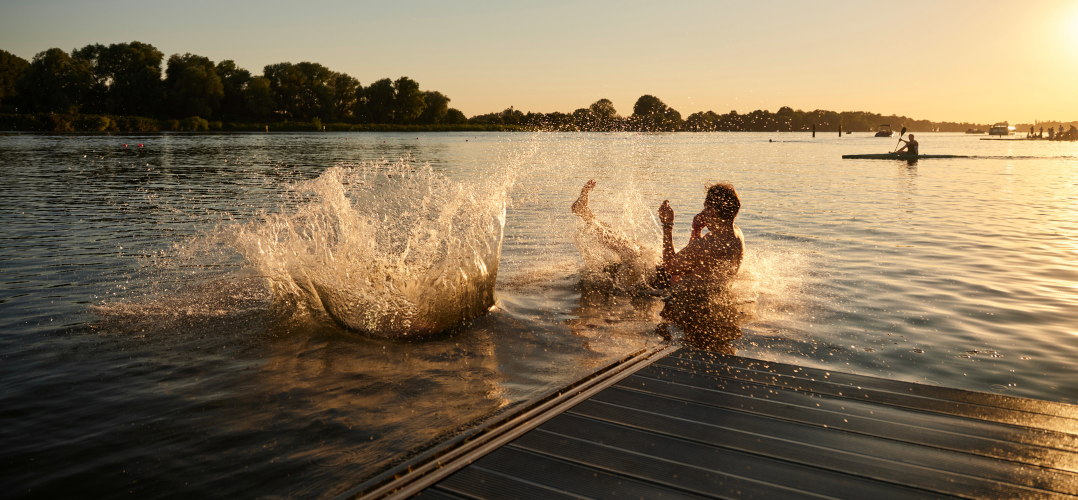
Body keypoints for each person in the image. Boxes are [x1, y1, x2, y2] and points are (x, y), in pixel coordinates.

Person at [571, 179, 745, 290]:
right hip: (694, 283)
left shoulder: (709, 244)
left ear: (713, 210)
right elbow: (695, 259)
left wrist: (667, 225)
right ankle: (586, 214)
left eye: (706, 207)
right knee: (635, 247)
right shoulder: (735, 233)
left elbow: (670, 266)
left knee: (631, 252)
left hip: (669, 285)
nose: (703, 212)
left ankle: (585, 214)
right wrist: (696, 230)